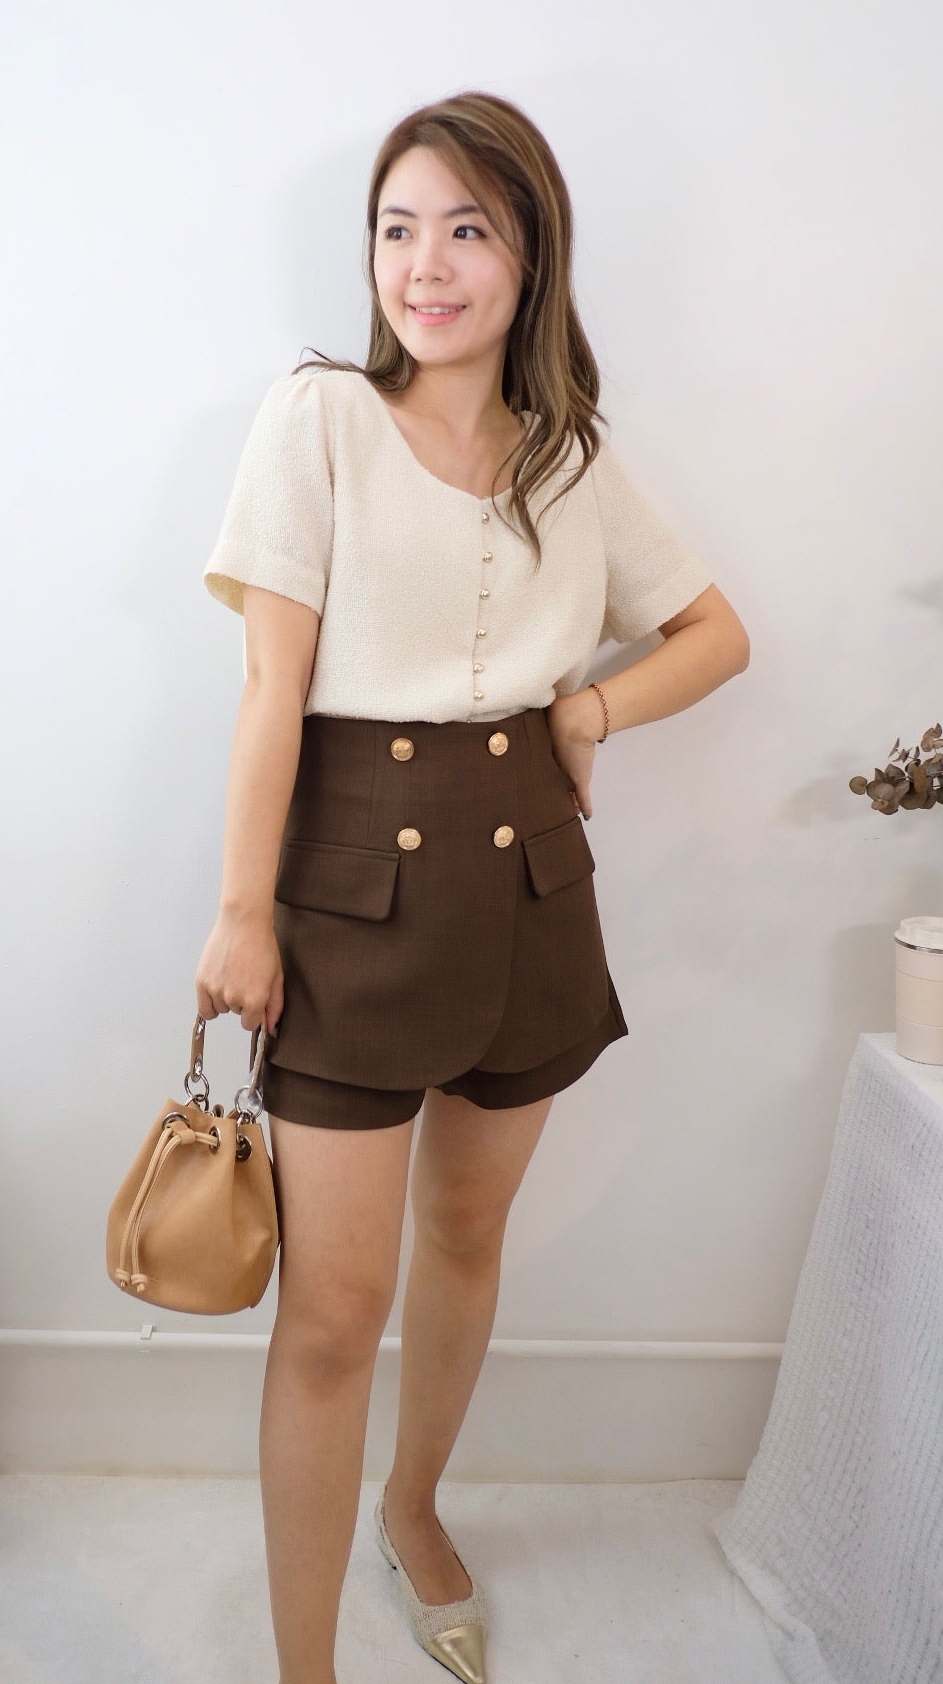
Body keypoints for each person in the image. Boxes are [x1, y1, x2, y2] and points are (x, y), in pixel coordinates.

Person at [196, 90, 750, 1684]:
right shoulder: (317, 416)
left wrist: (588, 712)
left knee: (464, 1234)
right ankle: (305, 1667)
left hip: (532, 888)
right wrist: (241, 910)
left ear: (530, 255)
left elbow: (716, 635)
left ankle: (416, 1505)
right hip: (348, 886)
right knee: (330, 1310)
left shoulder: (572, 458)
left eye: (466, 229)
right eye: (397, 228)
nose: (424, 265)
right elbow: (271, 689)